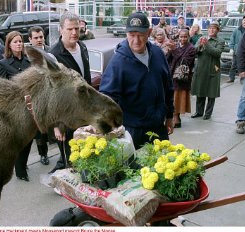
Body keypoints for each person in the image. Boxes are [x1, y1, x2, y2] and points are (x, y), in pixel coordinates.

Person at [100, 12, 174, 149]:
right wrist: (109, 128)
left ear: (149, 33)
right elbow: (106, 98)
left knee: (164, 166)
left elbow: (168, 87)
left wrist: (170, 116)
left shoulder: (158, 54)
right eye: (132, 35)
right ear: (126, 34)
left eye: (140, 35)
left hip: (159, 128)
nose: (136, 40)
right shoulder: (118, 62)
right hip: (133, 131)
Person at [49, 12, 91, 173]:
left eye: (77, 28)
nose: (74, 32)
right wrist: (56, 125)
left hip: (84, 112)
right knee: (70, 159)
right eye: (69, 29)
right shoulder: (54, 55)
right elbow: (52, 93)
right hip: (66, 117)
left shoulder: (83, 47)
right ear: (61, 30)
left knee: (86, 152)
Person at [0, 31, 32, 181]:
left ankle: (22, 164)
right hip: (14, 109)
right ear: (9, 45)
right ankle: (20, 171)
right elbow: (1, 89)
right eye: (15, 42)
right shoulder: (3, 64)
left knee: (29, 139)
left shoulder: (28, 61)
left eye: (20, 41)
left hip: (30, 107)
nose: (19, 44)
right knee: (18, 141)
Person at [191, 21, 225, 120]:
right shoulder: (201, 38)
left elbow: (217, 53)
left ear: (218, 30)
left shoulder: (220, 41)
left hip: (213, 69)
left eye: (214, 28)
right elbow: (194, 51)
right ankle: (199, 111)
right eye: (210, 28)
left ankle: (208, 113)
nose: (211, 30)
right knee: (200, 90)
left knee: (211, 92)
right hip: (201, 68)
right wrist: (200, 45)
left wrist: (207, 44)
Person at [27, 25, 52, 166]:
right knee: (39, 130)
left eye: (41, 37)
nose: (39, 40)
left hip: (52, 96)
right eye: (36, 38)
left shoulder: (50, 52)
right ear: (30, 39)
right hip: (36, 99)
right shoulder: (28, 56)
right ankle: (43, 154)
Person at [167, 29, 196, 128]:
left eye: (185, 36)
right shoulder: (176, 46)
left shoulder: (191, 48)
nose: (183, 38)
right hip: (172, 76)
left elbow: (185, 61)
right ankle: (174, 117)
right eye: (181, 36)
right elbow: (168, 59)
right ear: (178, 37)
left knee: (178, 98)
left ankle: (176, 118)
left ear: (188, 37)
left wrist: (174, 50)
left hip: (182, 77)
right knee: (172, 98)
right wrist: (169, 50)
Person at [227, 15, 245, 83]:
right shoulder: (236, 30)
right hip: (237, 51)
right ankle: (231, 78)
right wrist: (231, 48)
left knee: (244, 65)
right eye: (244, 20)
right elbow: (232, 39)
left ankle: (242, 79)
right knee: (233, 65)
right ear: (242, 21)